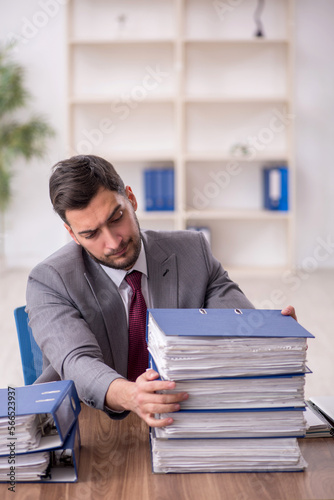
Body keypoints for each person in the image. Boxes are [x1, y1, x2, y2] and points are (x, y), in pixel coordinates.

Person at [26, 155, 297, 428]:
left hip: (182, 413)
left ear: (130, 199)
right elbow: (77, 361)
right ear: (73, 235)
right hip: (92, 424)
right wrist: (133, 395)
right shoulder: (50, 279)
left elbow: (234, 321)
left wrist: (272, 339)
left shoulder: (192, 250)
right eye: (90, 234)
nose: (112, 242)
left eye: (116, 217)